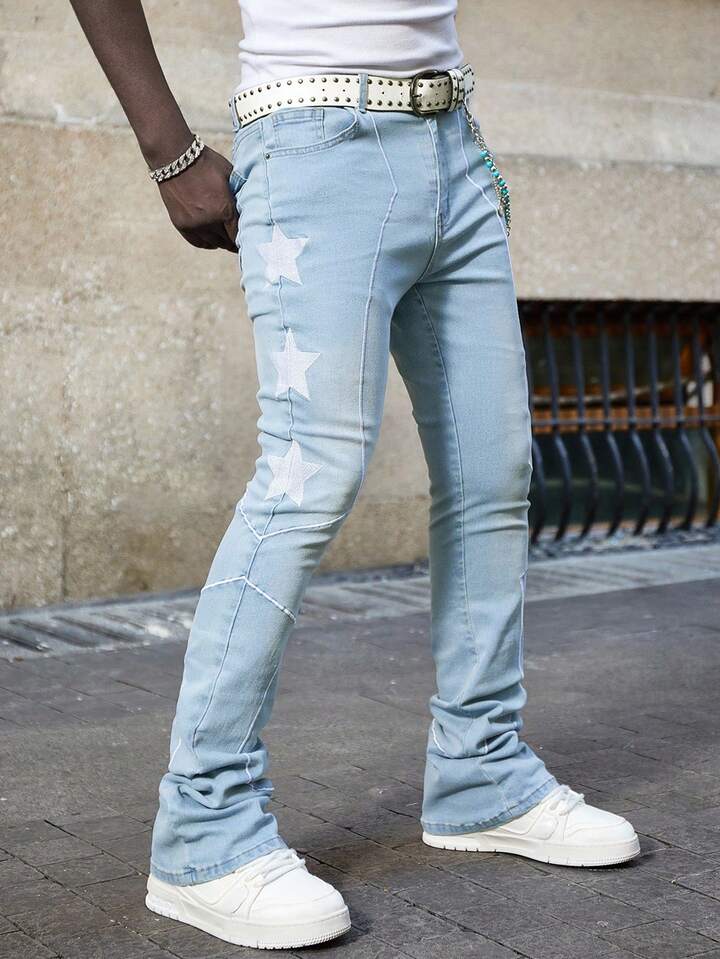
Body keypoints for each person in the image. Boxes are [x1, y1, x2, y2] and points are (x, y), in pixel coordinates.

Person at [69, 0, 640, 950]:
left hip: (452, 141)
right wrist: (168, 150)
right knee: (309, 472)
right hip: (314, 143)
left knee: (494, 470)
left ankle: (483, 769)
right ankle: (203, 828)